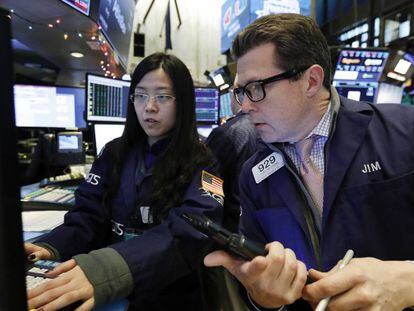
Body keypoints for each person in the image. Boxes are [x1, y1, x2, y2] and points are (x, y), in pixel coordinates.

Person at [204, 13, 414, 310]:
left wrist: (410, 283)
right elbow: (261, 291)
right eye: (241, 91)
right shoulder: (253, 175)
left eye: (256, 88)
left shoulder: (404, 133)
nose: (245, 106)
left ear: (311, 81)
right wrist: (262, 298)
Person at [25, 52, 224, 311]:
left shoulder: (204, 162)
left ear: (183, 102)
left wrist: (108, 269)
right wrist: (49, 248)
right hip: (107, 293)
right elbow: (86, 216)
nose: (149, 106)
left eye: (162, 96)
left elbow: (190, 232)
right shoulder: (113, 153)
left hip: (169, 294)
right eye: (140, 95)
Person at [202, 75, 257, 311]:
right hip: (263, 241)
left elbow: (209, 190)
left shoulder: (228, 133)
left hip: (229, 244)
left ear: (238, 94)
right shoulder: (279, 127)